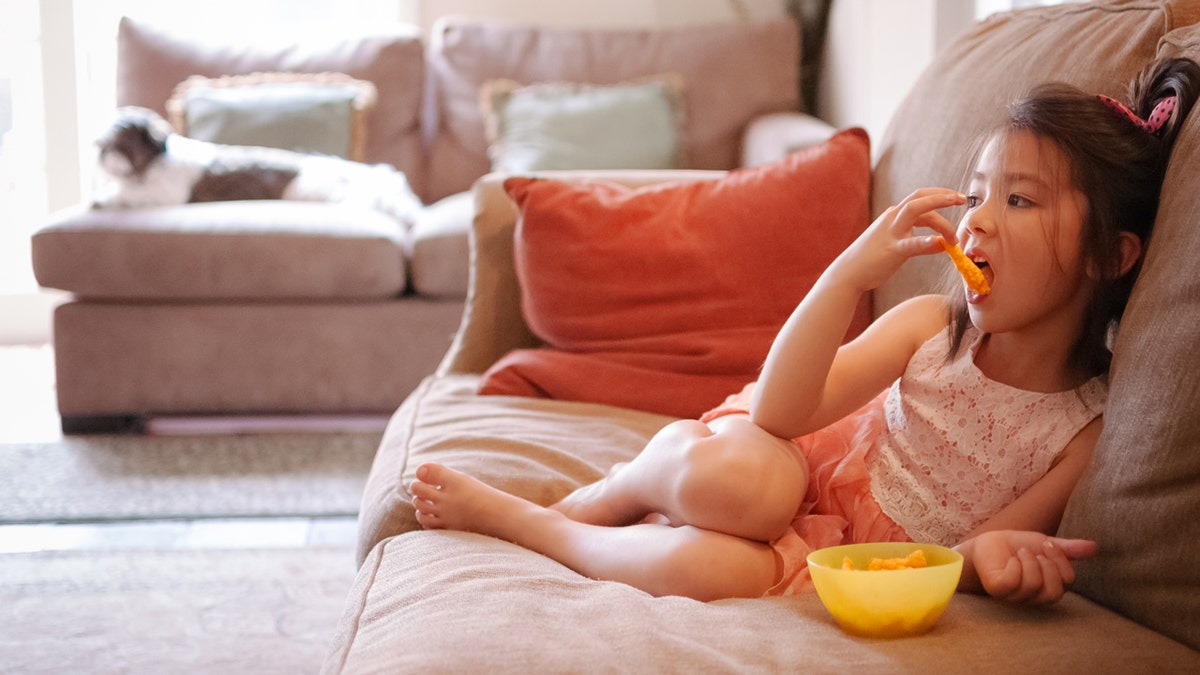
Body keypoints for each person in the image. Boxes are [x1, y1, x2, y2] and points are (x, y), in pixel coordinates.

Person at [409, 57, 1200, 605]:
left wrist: (986, 563)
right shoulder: (931, 327)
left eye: (1018, 202)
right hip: (778, 459)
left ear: (1109, 255)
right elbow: (781, 414)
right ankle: (624, 485)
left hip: (838, 555)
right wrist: (848, 272)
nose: (977, 220)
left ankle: (541, 528)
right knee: (754, 487)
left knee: (725, 568)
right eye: (975, 193)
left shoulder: (1082, 432)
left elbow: (955, 560)